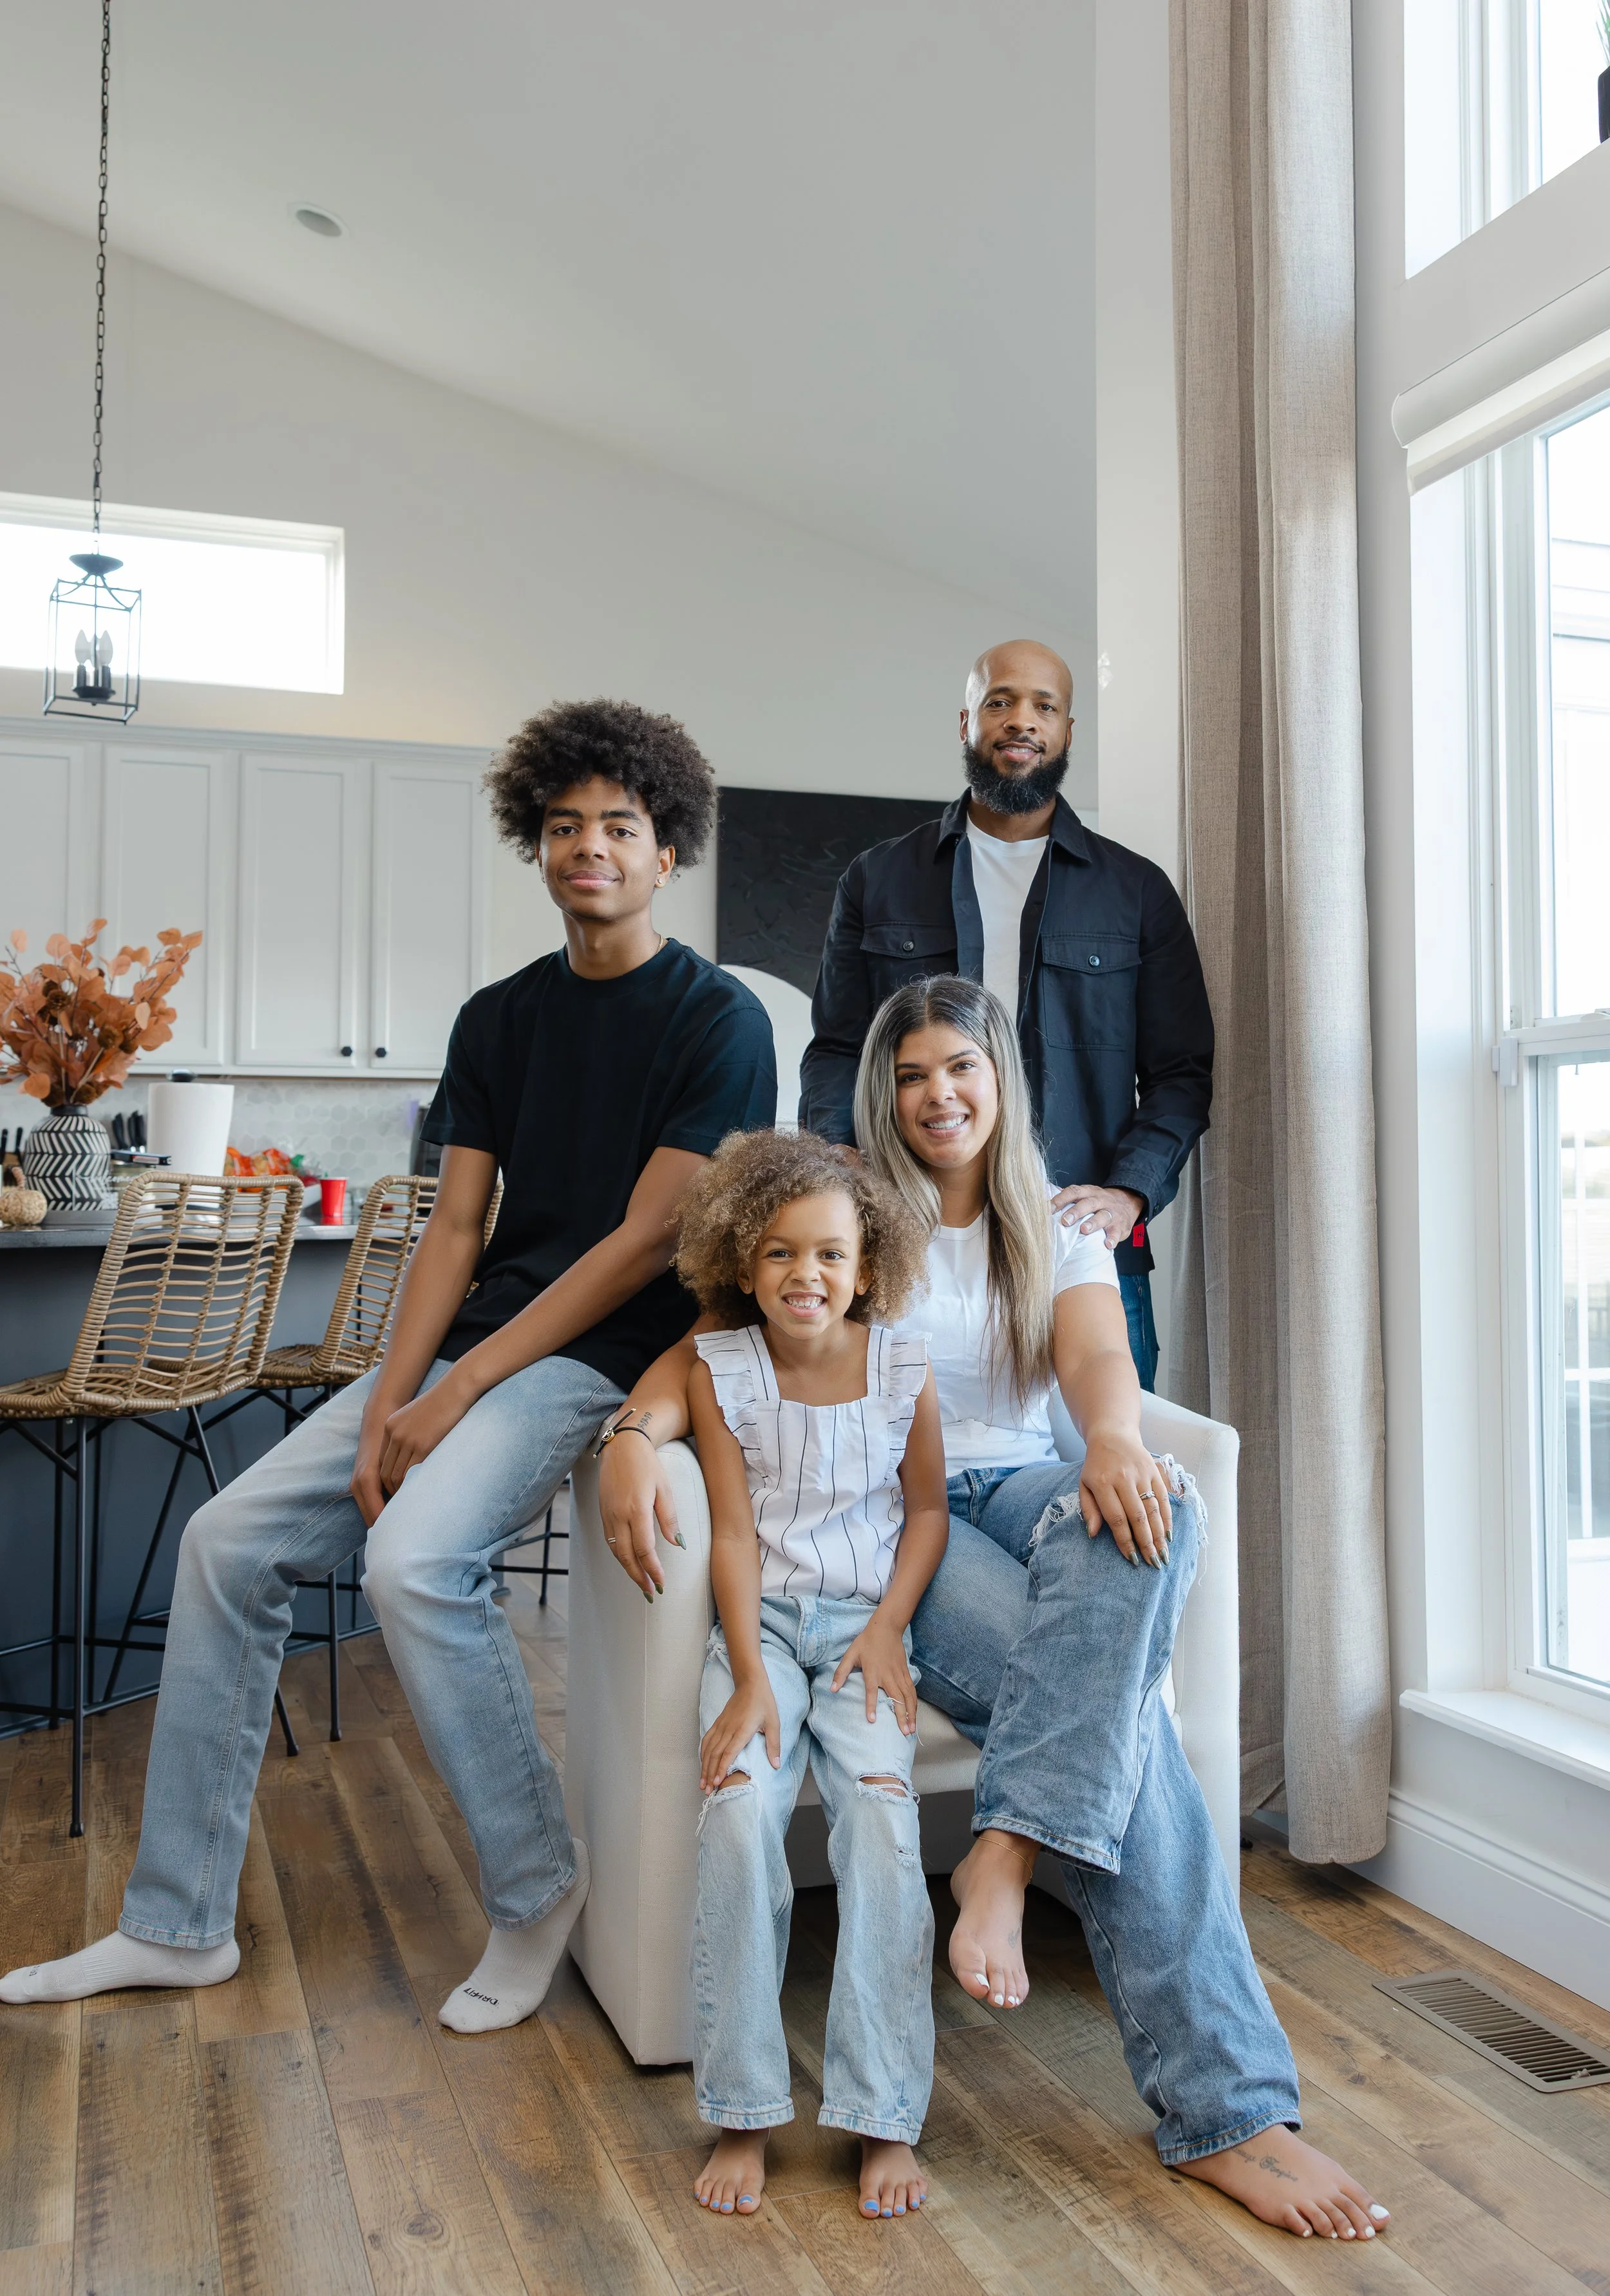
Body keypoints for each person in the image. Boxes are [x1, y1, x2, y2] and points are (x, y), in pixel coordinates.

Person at [1, 698, 776, 2033]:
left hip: (601, 1363)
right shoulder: (497, 1018)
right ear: (535, 848)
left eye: (620, 827)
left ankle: (536, 1889)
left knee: (410, 1566)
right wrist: (384, 1399)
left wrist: (461, 1389)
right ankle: (177, 1923)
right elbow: (456, 1228)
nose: (589, 847)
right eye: (562, 826)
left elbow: (653, 1237)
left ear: (668, 853)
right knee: (225, 1542)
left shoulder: (717, 1020)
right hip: (476, 1342)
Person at [601, 979, 1392, 2245]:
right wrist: (635, 1433)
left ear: (998, 1078)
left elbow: (1089, 1363)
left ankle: (1004, 1850)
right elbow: (716, 1338)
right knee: (1129, 1745)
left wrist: (1117, 1440)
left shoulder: (1056, 1220)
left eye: (959, 1066)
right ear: (883, 1091)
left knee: (1161, 1508)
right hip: (899, 1526)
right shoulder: (847, 1208)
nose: (937, 1093)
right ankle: (1233, 2113)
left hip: (1021, 1486)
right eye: (911, 1073)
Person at [798, 638, 1213, 1389]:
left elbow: (1182, 1072)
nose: (1020, 721)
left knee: (1113, 1458)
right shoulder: (878, 878)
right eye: (999, 701)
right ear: (967, 721)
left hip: (1078, 1243)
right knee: (890, 1470)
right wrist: (838, 1156)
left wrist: (1128, 1192)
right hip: (906, 1238)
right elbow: (837, 1047)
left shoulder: (1136, 891)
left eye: (1043, 706)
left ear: (1066, 731)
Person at [665, 1128, 948, 2224]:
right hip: (766, 1636)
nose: (806, 1277)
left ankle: (885, 2117)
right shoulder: (719, 1371)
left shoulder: (901, 1368)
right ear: (744, 1264)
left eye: (829, 1255)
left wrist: (887, 1627)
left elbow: (924, 1511)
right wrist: (745, 1678)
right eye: (781, 1255)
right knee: (738, 1815)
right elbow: (732, 1538)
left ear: (866, 1266)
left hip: (867, 1632)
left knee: (880, 1823)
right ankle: (744, 2107)